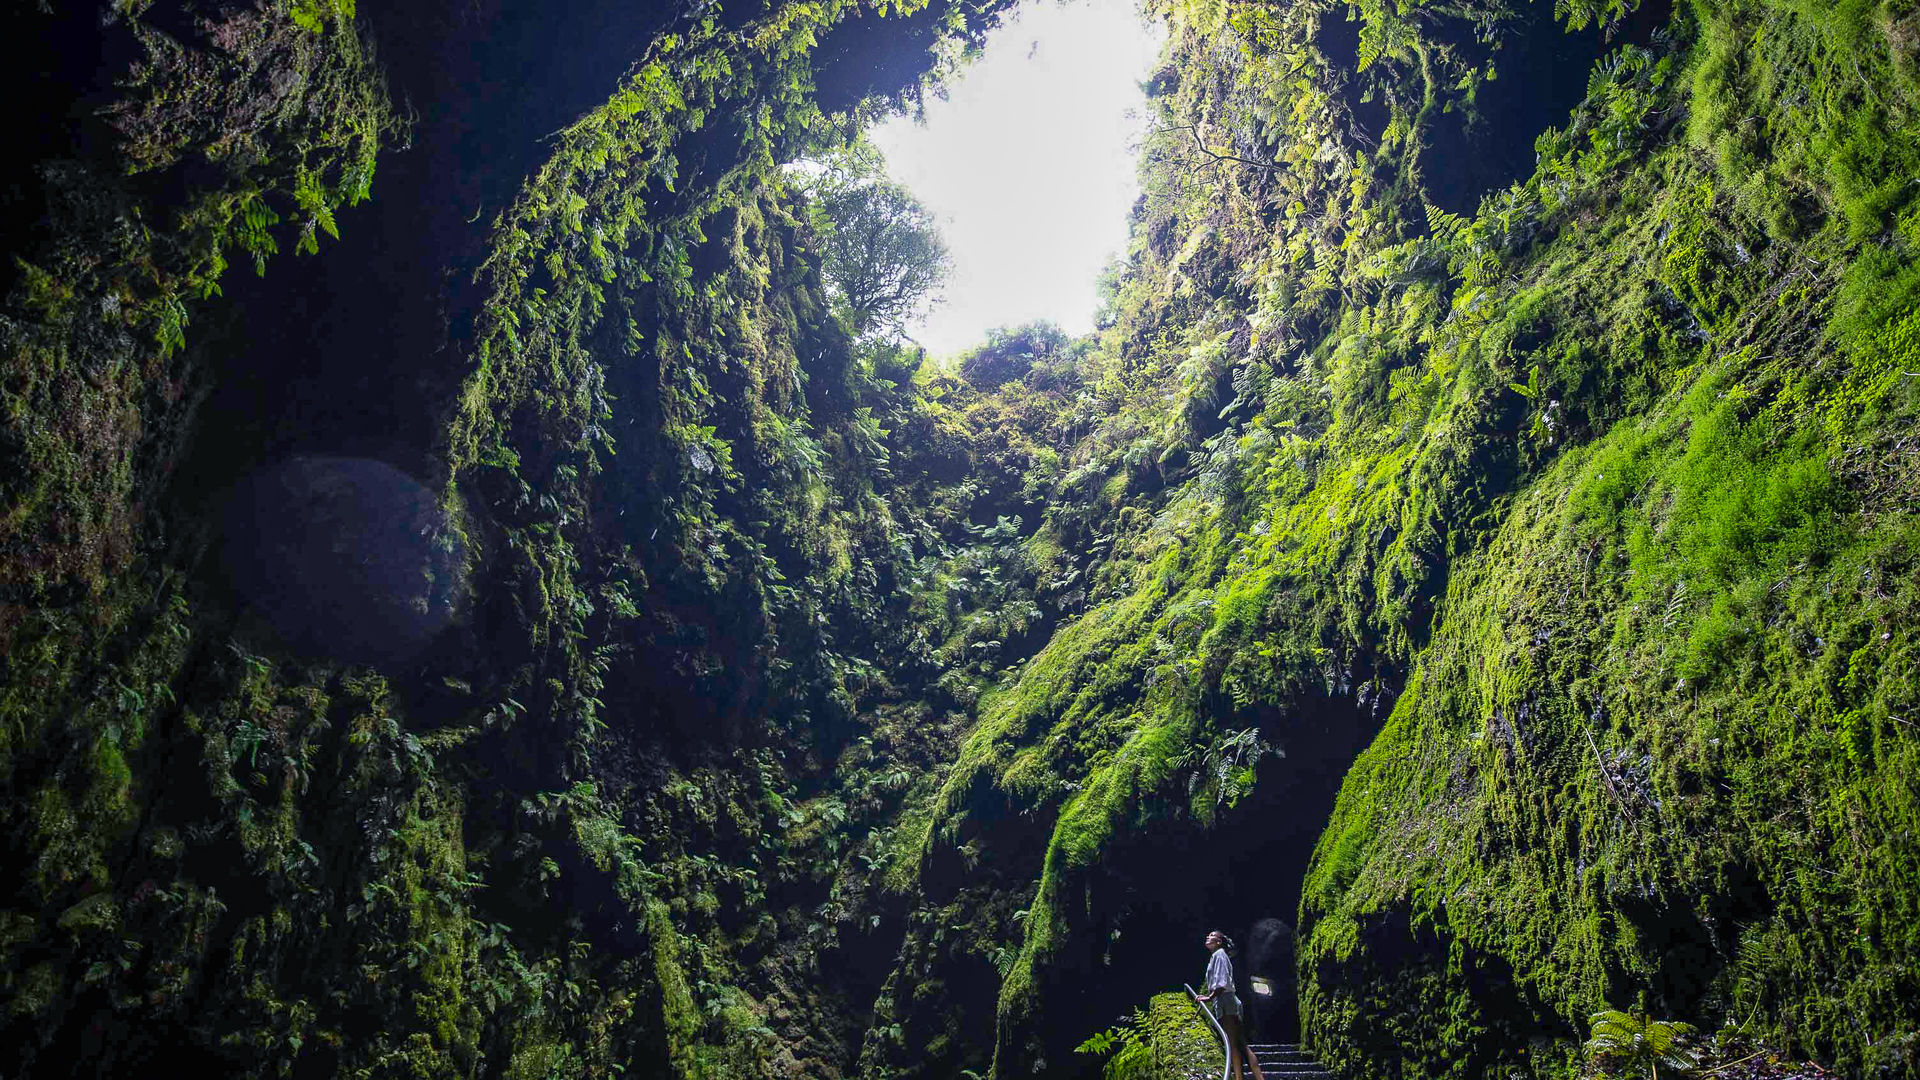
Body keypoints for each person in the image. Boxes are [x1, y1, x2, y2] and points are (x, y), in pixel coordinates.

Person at [1195, 930, 1266, 1080]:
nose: (1208, 937)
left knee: (1232, 1045)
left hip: (1225, 1001)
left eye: (1211, 935)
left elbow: (1222, 983)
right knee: (1241, 1045)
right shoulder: (1218, 956)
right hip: (1227, 1001)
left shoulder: (1219, 955)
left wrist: (1209, 997)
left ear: (1219, 942)